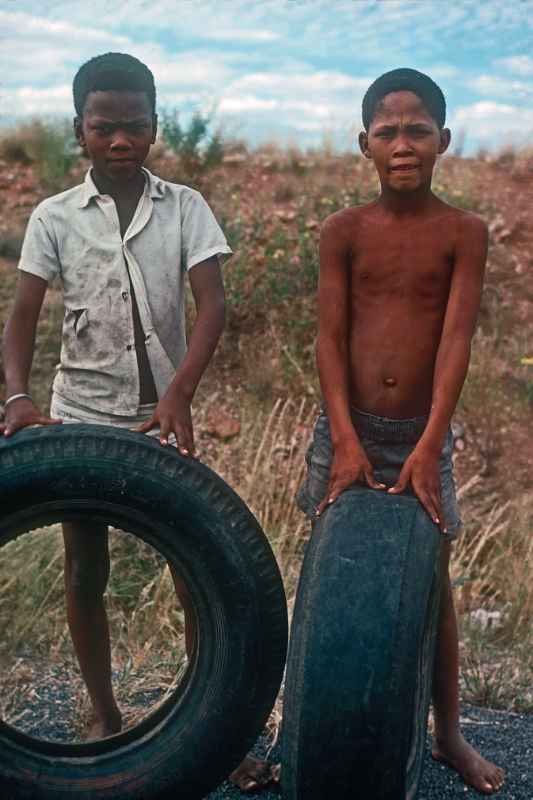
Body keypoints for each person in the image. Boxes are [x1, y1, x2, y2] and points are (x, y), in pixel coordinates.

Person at [1, 51, 275, 793]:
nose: (121, 141)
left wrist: (181, 390)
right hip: (82, 412)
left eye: (135, 126)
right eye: (104, 126)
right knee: (85, 568)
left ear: (154, 126)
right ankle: (102, 713)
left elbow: (212, 304)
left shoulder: (184, 206)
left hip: (163, 417)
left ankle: (215, 731)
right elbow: (23, 314)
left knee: (201, 573)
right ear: (79, 130)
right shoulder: (54, 216)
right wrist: (17, 398)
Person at [297, 67, 505, 795]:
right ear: (364, 144)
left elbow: (455, 341)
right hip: (345, 430)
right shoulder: (342, 231)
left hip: (422, 430)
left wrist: (429, 441)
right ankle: (306, 731)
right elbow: (328, 338)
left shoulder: (463, 233)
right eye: (386, 131)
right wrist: (344, 440)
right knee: (326, 566)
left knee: (433, 584)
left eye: (417, 129)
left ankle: (446, 735)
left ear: (443, 140)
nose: (403, 143)